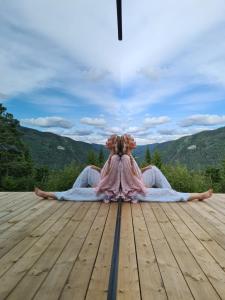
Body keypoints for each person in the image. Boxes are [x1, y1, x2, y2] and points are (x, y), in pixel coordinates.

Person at [119, 134, 213, 203]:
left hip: (137, 183)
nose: (134, 141)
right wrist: (141, 186)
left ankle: (171, 194)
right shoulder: (125, 158)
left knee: (153, 169)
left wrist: (145, 168)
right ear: (127, 144)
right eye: (132, 140)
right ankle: (198, 195)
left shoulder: (128, 155)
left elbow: (133, 173)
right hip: (134, 191)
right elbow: (127, 181)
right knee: (166, 192)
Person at [35, 135, 121, 203]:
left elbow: (115, 179)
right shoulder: (112, 155)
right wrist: (97, 168)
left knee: (77, 191)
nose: (106, 141)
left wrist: (100, 185)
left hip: (108, 191)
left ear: (114, 143)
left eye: (109, 140)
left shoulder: (116, 158)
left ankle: (51, 194)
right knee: (89, 169)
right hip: (107, 183)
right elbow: (109, 173)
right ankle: (72, 193)